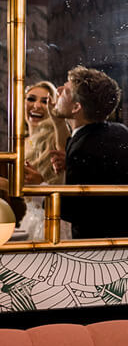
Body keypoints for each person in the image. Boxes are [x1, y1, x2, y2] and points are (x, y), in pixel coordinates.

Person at [49, 66, 128, 239]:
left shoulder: (82, 149)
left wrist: (40, 187)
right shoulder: (121, 132)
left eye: (66, 91)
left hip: (101, 248)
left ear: (76, 107)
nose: (58, 90)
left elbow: (70, 212)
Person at [20, 81, 71, 241]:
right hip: (29, 220)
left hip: (52, 221)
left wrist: (58, 121)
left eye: (45, 101)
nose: (37, 106)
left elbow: (63, 146)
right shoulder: (23, 142)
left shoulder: (56, 137)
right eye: (31, 99)